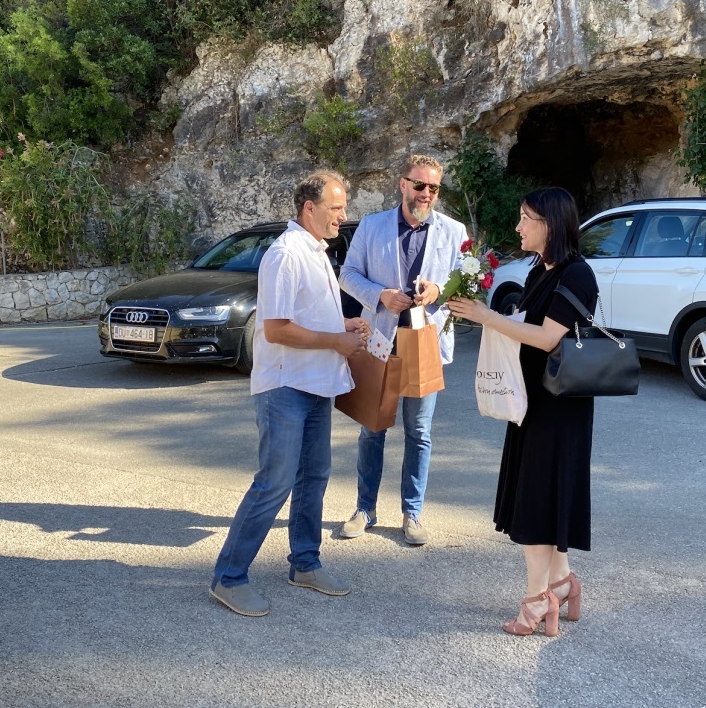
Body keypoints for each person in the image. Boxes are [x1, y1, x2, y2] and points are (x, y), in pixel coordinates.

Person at [209, 172, 371, 617]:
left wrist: (344, 325)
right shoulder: (284, 255)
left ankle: (305, 564)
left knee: (314, 477)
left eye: (343, 207)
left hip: (316, 384)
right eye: (336, 207)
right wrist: (337, 341)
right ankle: (228, 577)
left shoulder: (315, 250)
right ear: (309, 208)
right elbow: (277, 329)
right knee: (275, 482)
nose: (343, 215)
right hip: (285, 386)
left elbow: (306, 316)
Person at [447, 187, 597, 638]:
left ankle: (536, 599)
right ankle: (562, 583)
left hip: (558, 406)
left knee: (538, 500)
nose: (518, 227)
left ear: (550, 224)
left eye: (525, 218)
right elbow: (525, 327)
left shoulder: (577, 273)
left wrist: (487, 317)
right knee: (546, 496)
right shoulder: (540, 269)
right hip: (532, 400)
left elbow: (549, 338)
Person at [338, 154, 469, 545]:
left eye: (434, 188)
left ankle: (412, 514)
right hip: (380, 341)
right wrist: (381, 295)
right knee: (371, 429)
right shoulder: (372, 225)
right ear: (403, 184)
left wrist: (439, 290)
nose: (426, 193)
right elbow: (347, 274)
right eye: (420, 185)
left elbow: (465, 281)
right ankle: (365, 509)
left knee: (420, 431)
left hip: (425, 342)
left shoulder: (454, 230)